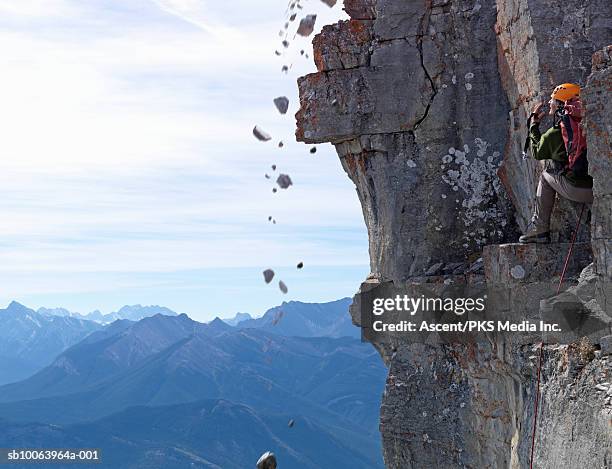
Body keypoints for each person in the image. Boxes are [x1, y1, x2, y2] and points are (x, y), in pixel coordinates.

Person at [519, 83, 593, 244]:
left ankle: (539, 228)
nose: (549, 103)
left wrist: (533, 124)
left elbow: (537, 151)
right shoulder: (587, 119)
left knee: (545, 176)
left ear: (561, 103)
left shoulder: (557, 131)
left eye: (553, 100)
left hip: (579, 190)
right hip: (598, 187)